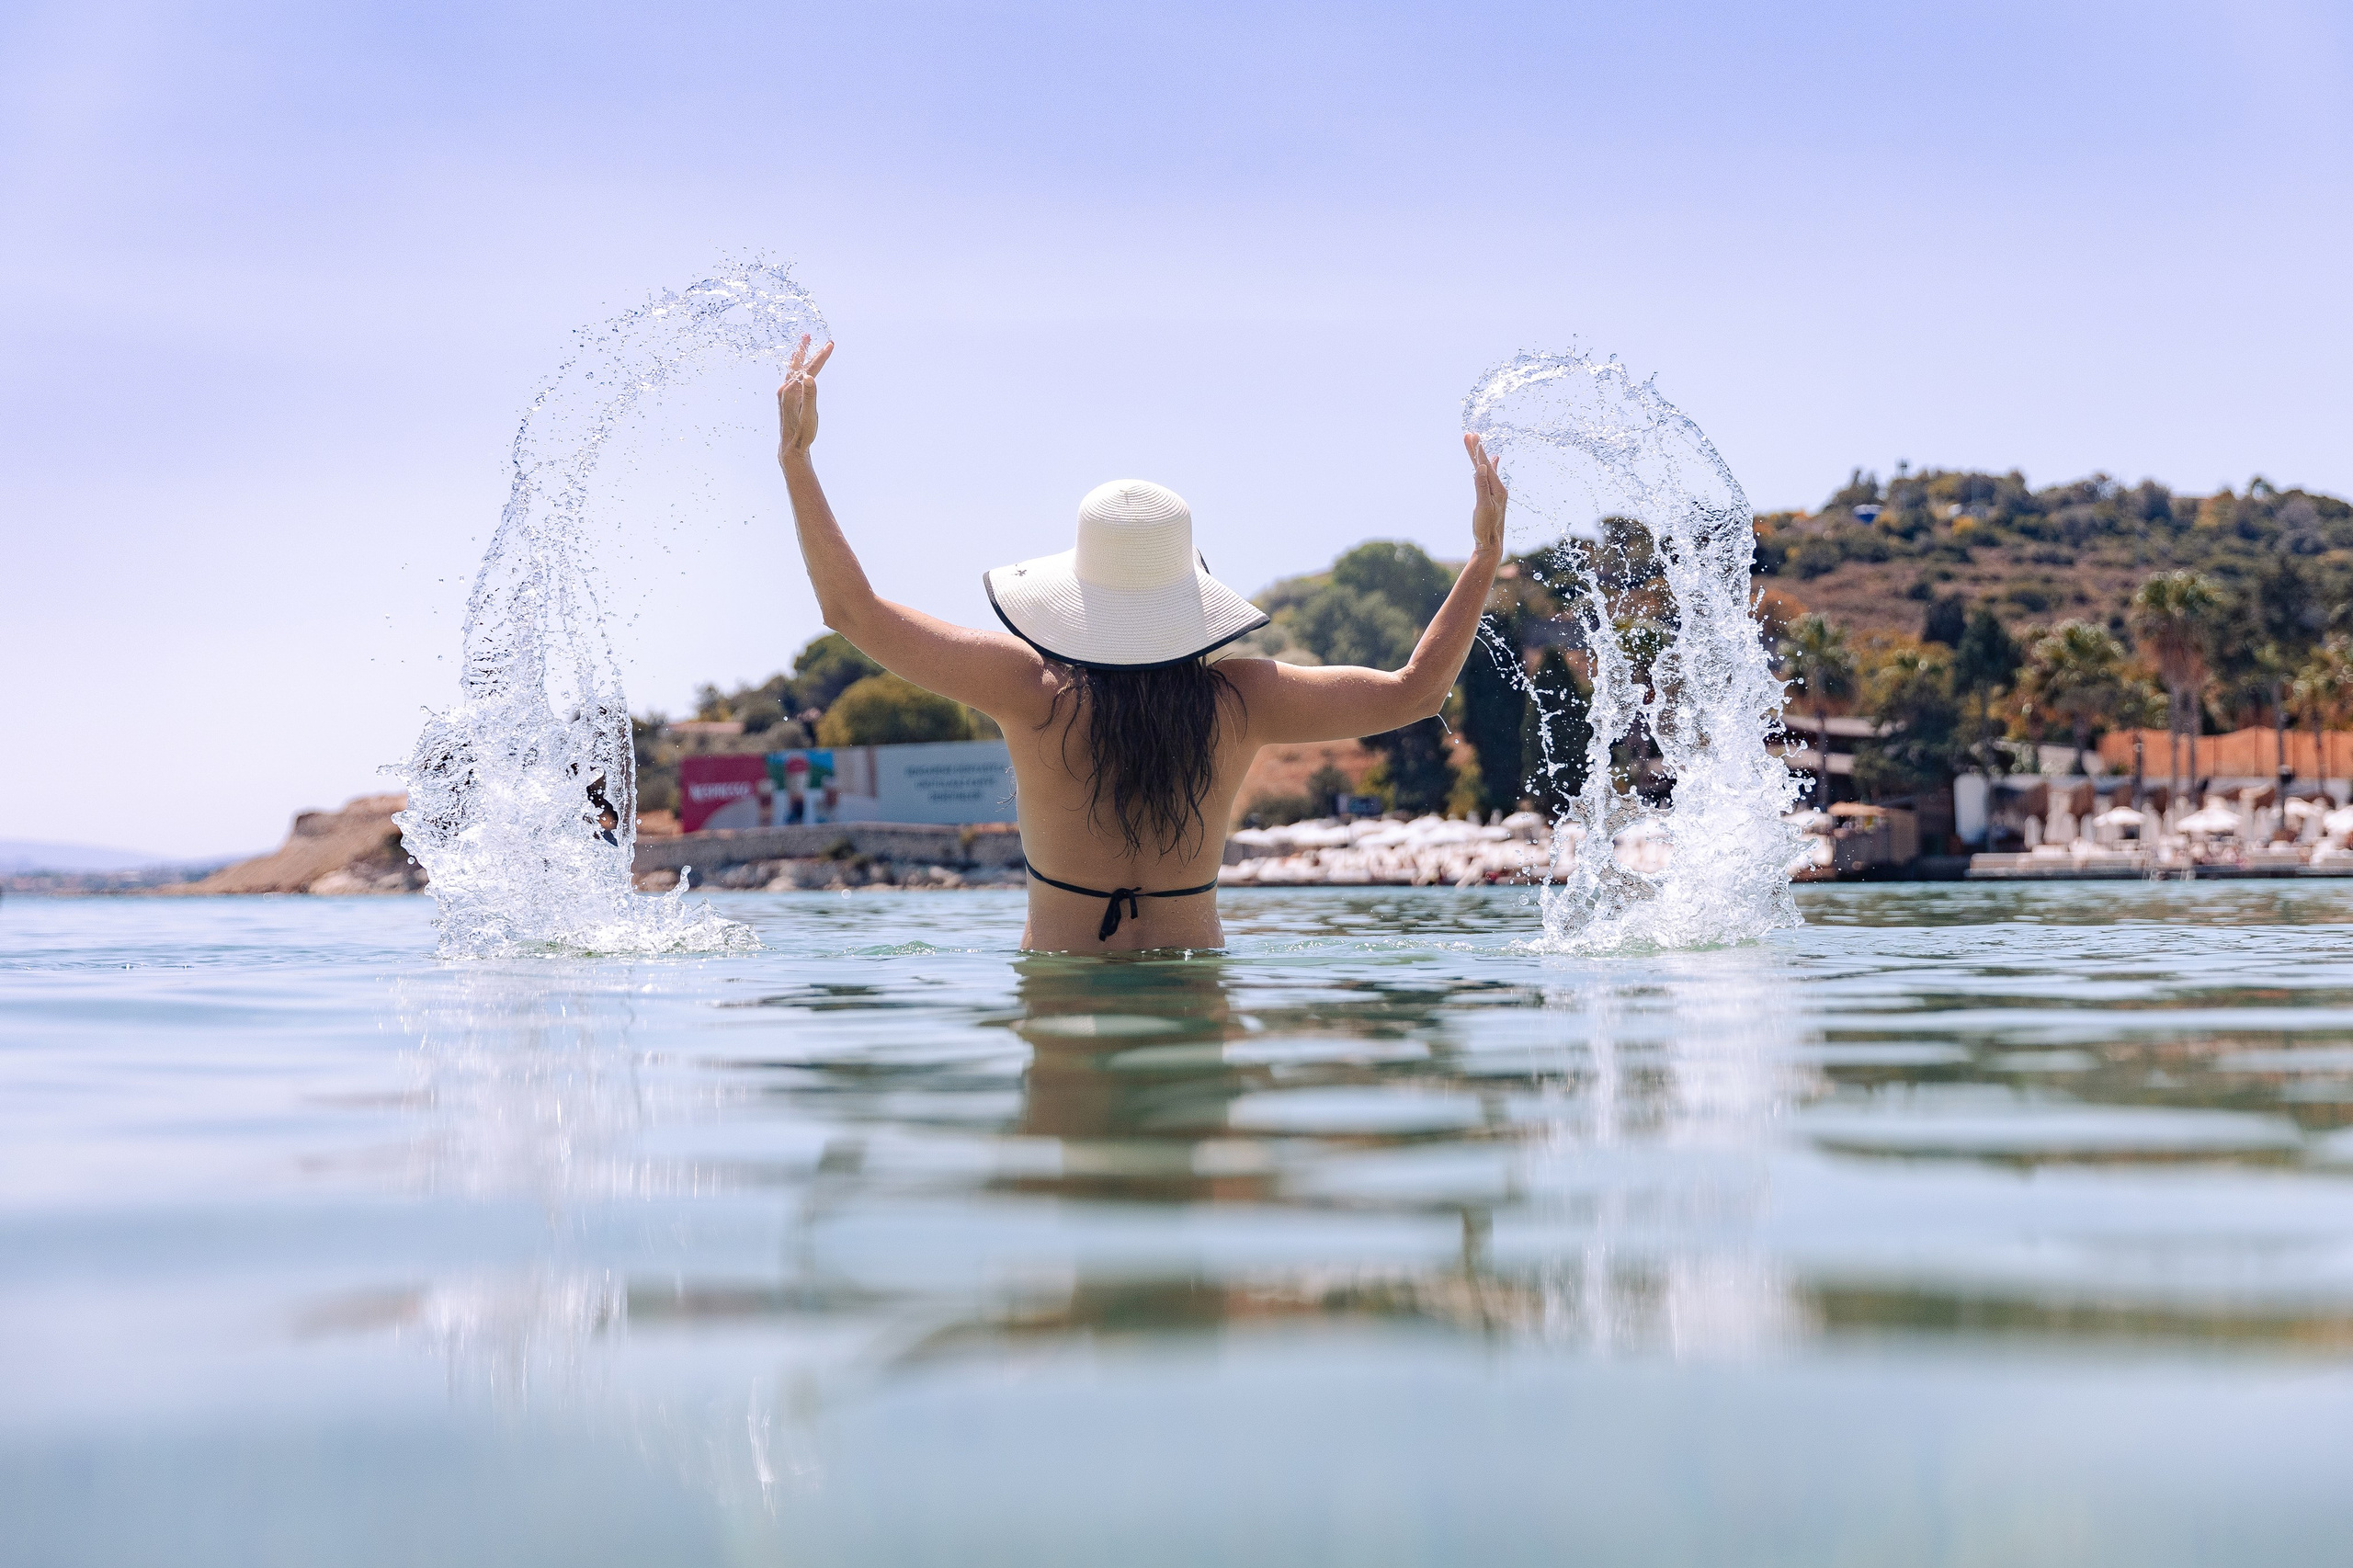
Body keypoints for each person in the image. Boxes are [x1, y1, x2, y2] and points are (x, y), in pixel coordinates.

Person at [774, 336, 1507, 951]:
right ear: (1189, 597)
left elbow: (851, 612)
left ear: (1074, 599)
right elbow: (1418, 691)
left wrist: (798, 462)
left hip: (1063, 989)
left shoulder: (1031, 693)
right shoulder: (1242, 703)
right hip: (1194, 983)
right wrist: (1482, 556)